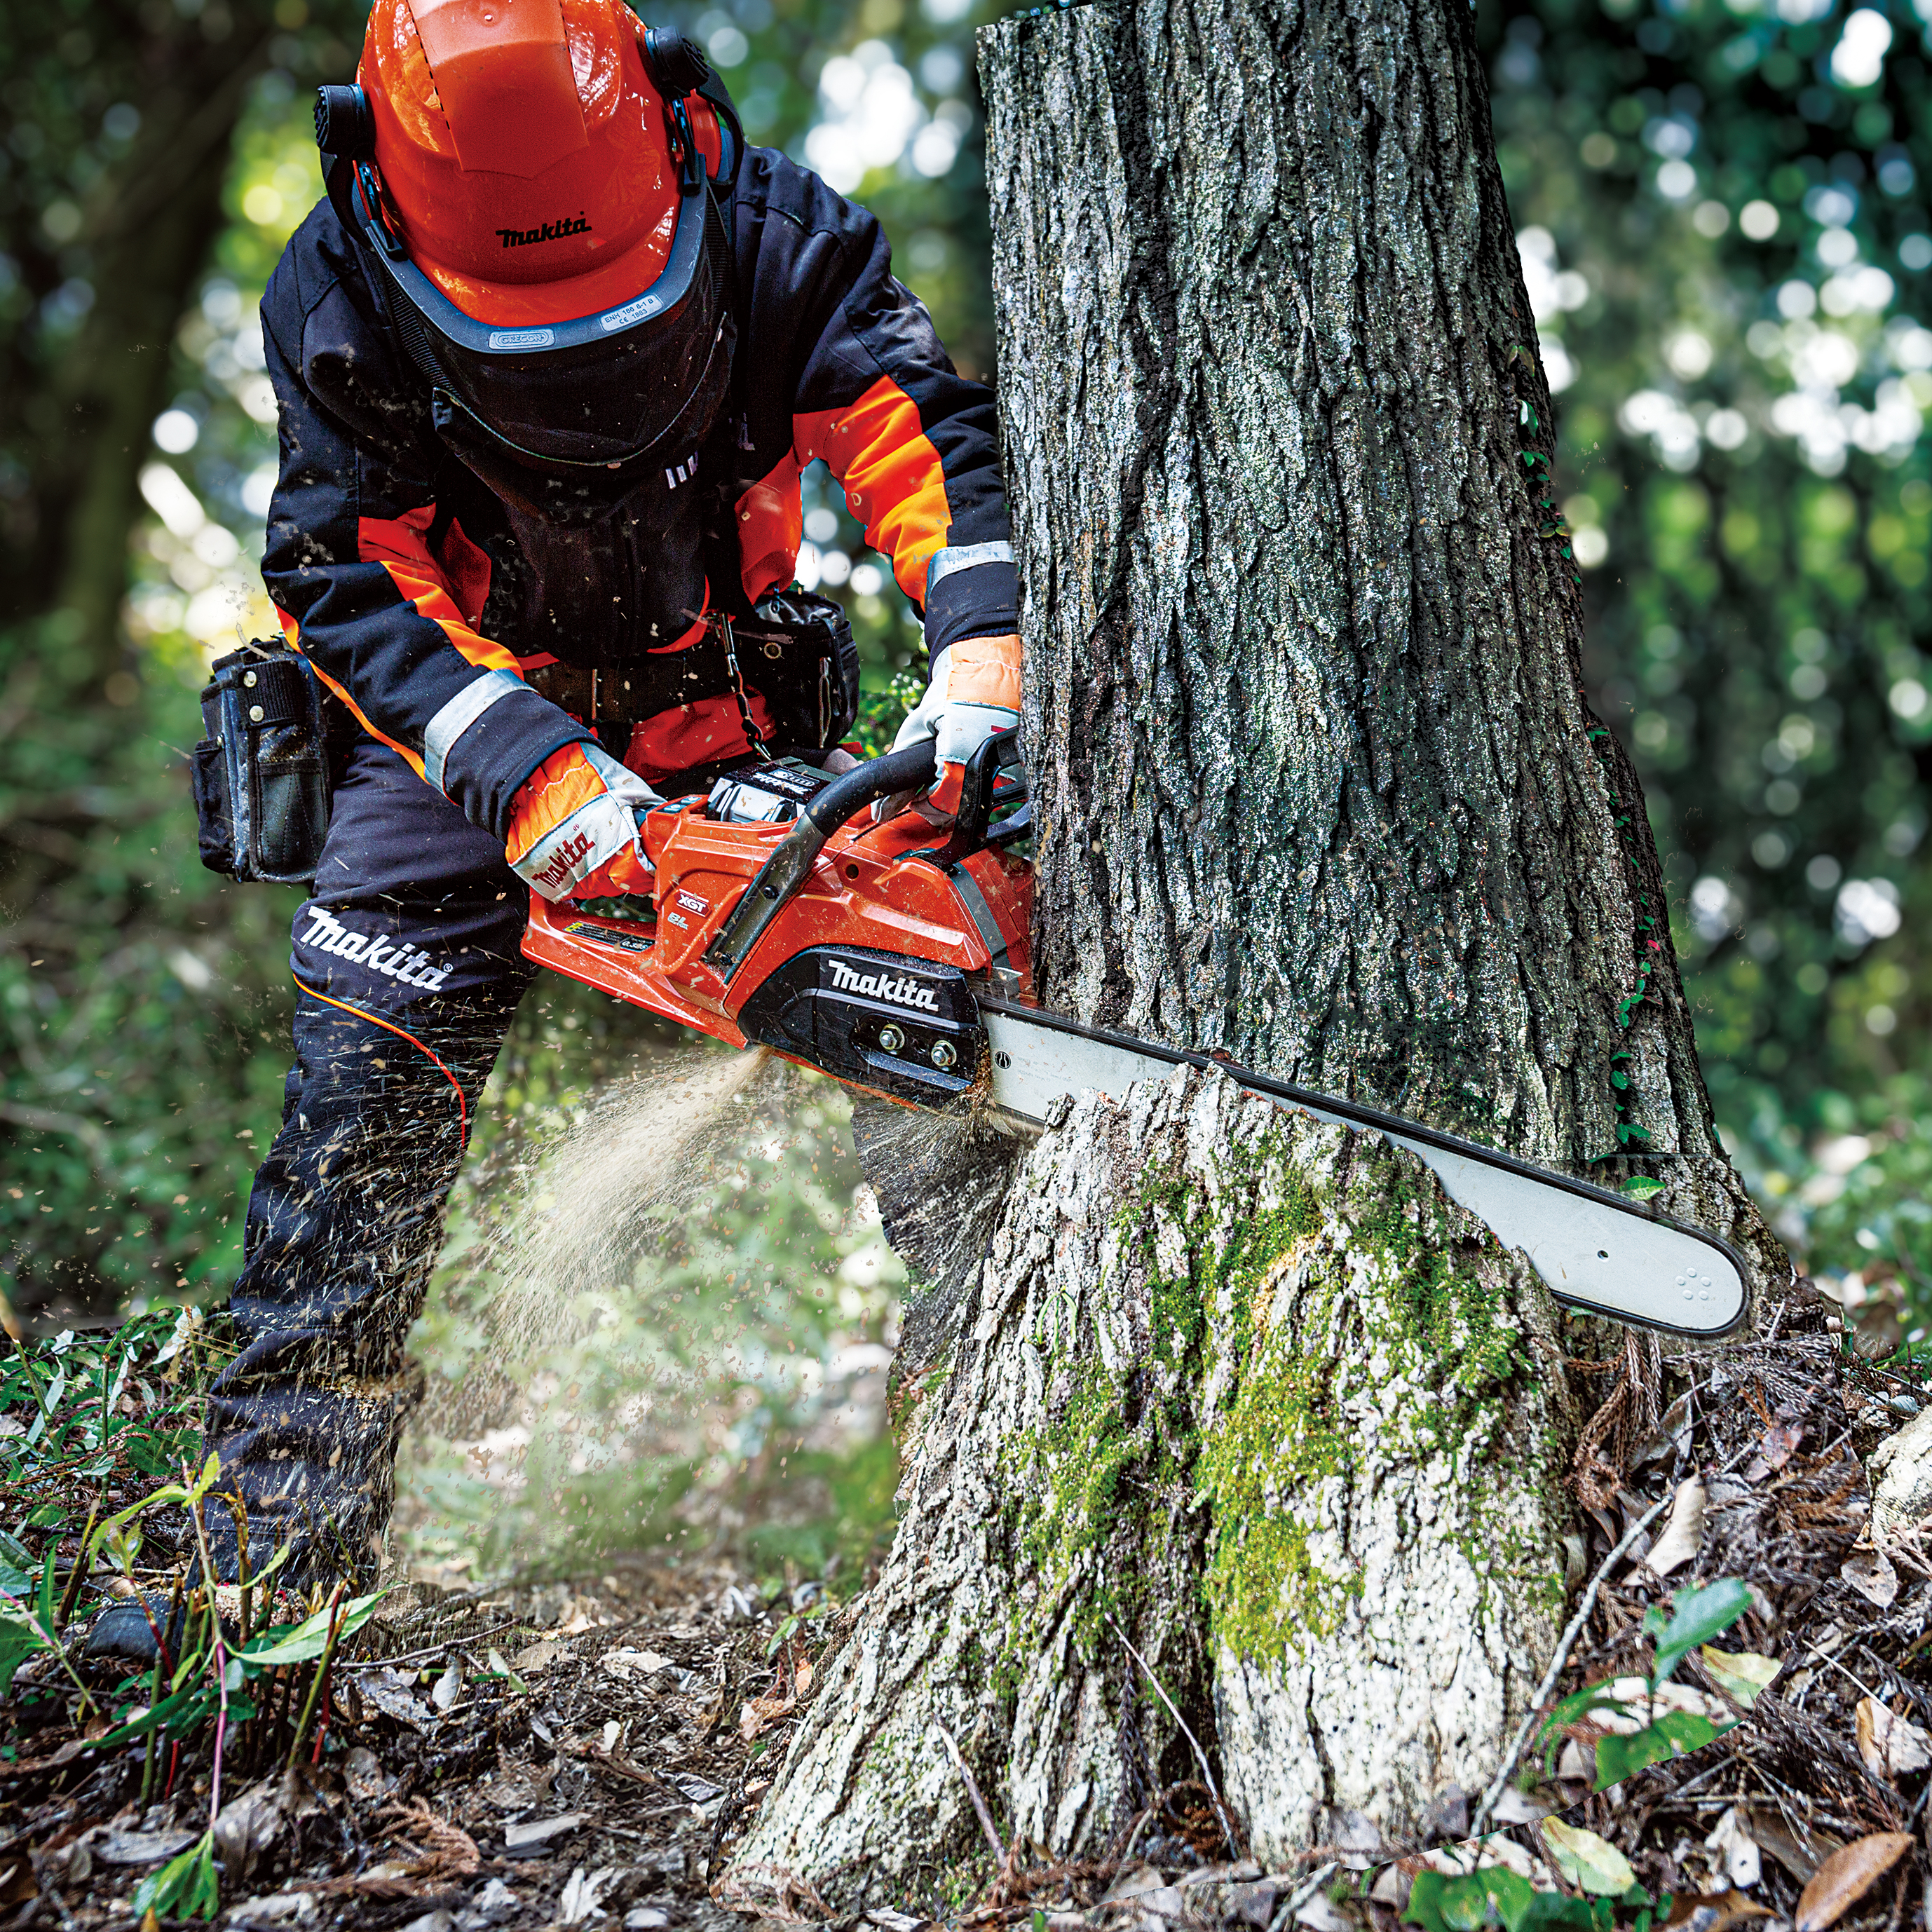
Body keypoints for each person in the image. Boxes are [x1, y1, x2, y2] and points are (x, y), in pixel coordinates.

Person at [196, 0, 1023, 1589]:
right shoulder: (339, 293)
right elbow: (342, 569)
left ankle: (1011, 1451)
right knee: (358, 1114)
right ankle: (266, 1573)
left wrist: (981, 648)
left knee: (919, 1002)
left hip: (712, 706)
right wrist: (523, 770)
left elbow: (925, 436)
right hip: (449, 737)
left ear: (666, 126)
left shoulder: (780, 240)